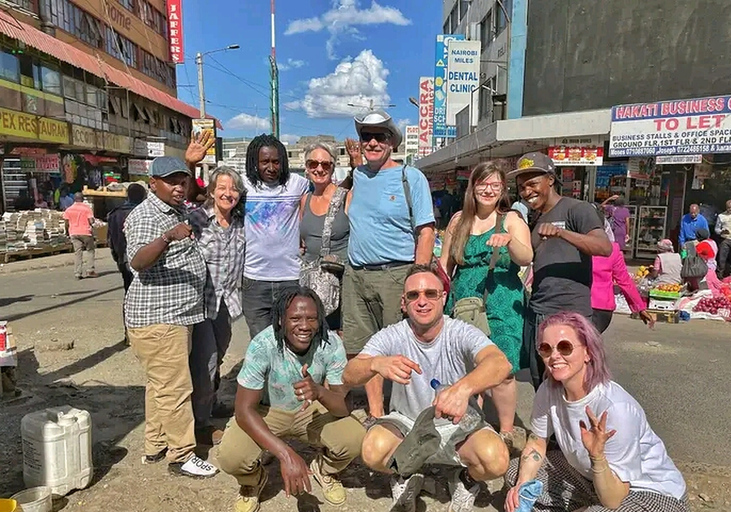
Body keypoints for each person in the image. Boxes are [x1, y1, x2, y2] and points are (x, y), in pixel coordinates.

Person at [343, 265, 511, 512]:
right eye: (413, 295)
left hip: (457, 426)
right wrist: (377, 363)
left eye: (430, 293)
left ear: (443, 298)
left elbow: (500, 364)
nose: (422, 301)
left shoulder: (460, 332)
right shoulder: (392, 335)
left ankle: (465, 480)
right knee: (372, 450)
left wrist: (462, 390)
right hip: (408, 426)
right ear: (404, 302)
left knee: (496, 460)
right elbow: (349, 374)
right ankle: (405, 473)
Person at [504, 312, 689, 512]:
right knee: (516, 474)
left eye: (565, 347)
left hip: (647, 492)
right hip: (588, 478)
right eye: (545, 348)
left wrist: (597, 456)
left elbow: (613, 500)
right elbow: (537, 442)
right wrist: (521, 486)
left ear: (588, 352)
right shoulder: (548, 390)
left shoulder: (615, 408)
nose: (554, 356)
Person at [217, 287, 366, 512]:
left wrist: (319, 392)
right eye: (295, 318)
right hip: (266, 411)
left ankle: (324, 470)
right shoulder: (263, 344)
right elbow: (243, 410)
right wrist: (286, 454)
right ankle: (253, 482)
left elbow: (344, 408)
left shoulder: (330, 343)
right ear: (280, 320)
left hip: (310, 410)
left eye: (312, 319)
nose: (305, 326)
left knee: (355, 438)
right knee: (231, 456)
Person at [123, 156, 217, 479]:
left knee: (159, 386)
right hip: (159, 318)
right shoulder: (147, 215)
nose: (179, 187)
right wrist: (167, 238)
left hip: (175, 316)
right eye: (171, 181)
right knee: (176, 388)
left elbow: (205, 196)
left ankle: (155, 444)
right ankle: (182, 454)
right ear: (153, 184)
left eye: (183, 181)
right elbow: (136, 260)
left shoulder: (176, 209)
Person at [344, 110, 436, 422]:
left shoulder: (411, 177)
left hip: (397, 274)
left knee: (406, 345)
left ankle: (412, 412)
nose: (372, 142)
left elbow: (426, 231)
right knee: (363, 350)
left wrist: (418, 281)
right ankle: (376, 412)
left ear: (391, 142)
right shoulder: (357, 176)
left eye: (379, 136)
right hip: (356, 275)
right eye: (366, 136)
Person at [440, 160, 533, 449]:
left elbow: (526, 257)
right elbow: (445, 265)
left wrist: (508, 241)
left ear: (503, 189)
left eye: (495, 184)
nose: (489, 190)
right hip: (464, 300)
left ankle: (506, 430)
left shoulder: (512, 219)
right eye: (483, 183)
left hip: (502, 301)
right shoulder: (458, 221)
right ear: (473, 187)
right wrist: (438, 296)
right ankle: (470, 424)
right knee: (468, 366)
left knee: (503, 370)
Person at [510, 152, 612, 390]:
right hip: (537, 313)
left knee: (574, 386)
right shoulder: (536, 219)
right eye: (522, 187)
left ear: (551, 179)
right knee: (543, 385)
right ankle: (549, 429)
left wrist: (562, 233)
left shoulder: (577, 209)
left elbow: (603, 247)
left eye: (533, 184)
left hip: (570, 313)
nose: (527, 192)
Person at [188, 166, 246, 447]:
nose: (227, 193)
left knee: (219, 356)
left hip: (227, 303)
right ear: (211, 192)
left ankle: (209, 403)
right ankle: (200, 424)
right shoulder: (198, 218)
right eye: (222, 187)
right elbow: (182, 202)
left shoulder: (240, 222)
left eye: (233, 188)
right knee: (206, 363)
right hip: (200, 303)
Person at [240, 134, 310, 339]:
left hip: (291, 277)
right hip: (254, 280)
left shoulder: (298, 184)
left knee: (292, 339)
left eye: (276, 161)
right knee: (261, 343)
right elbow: (205, 196)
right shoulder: (242, 185)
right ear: (255, 162)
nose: (271, 167)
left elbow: (326, 198)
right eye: (265, 162)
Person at [299, 142, 351, 331]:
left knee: (338, 340)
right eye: (313, 164)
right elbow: (303, 239)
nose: (319, 169)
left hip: (340, 284)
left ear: (333, 167)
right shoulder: (305, 199)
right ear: (306, 167)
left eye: (325, 164)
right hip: (311, 283)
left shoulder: (346, 197)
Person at [591, 206, 654, 333]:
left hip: (577, 305)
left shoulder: (573, 247)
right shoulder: (613, 249)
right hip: (602, 307)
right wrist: (640, 307)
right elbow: (624, 281)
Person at [108, 184, 147, 293]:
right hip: (143, 259)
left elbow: (110, 239)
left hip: (122, 257)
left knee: (128, 288)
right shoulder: (145, 213)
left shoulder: (114, 214)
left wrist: (116, 256)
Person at [63, 192, 97, 280]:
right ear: (82, 199)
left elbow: (66, 222)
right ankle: (90, 270)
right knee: (90, 250)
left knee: (77, 253)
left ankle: (77, 273)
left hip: (73, 232)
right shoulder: (87, 208)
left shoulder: (69, 209)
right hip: (85, 232)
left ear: (74, 199)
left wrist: (67, 231)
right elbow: (91, 221)